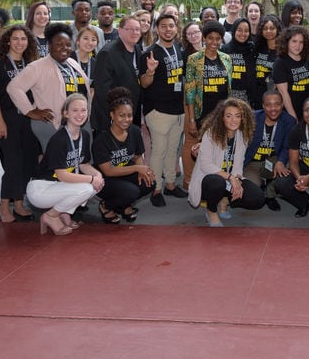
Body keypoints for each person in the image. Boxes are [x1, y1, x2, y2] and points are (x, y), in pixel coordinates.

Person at [27, 94, 103, 236]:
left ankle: (64, 213)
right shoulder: (59, 139)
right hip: (41, 188)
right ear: (65, 113)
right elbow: (62, 175)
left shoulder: (85, 135)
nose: (80, 114)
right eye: (75, 110)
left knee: (95, 185)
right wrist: (92, 179)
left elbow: (83, 164)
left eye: (83, 110)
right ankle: (51, 216)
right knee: (87, 188)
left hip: (58, 186)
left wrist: (97, 175)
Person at [8, 23, 90, 151]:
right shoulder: (37, 67)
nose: (64, 48)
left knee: (79, 158)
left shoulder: (73, 63)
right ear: (49, 46)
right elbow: (14, 87)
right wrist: (30, 111)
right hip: (53, 124)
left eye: (68, 45)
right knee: (56, 159)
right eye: (59, 44)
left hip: (77, 121)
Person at [0, 25, 40, 223]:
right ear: (8, 41)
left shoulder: (32, 63)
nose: (20, 43)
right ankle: (3, 206)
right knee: (13, 163)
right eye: (15, 39)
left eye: (23, 39)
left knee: (28, 162)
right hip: (8, 119)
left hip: (29, 119)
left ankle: (19, 203)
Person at [188, 98, 264, 226]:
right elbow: (205, 165)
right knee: (216, 182)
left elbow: (238, 165)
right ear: (222, 118)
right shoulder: (211, 134)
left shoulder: (242, 136)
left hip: (229, 179)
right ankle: (211, 211)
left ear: (242, 118)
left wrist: (237, 181)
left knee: (257, 198)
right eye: (229, 116)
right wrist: (230, 177)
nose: (233, 120)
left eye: (237, 116)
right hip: (208, 179)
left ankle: (224, 201)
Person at [139, 13, 188, 202]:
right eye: (164, 26)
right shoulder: (150, 53)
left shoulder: (178, 48)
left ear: (176, 28)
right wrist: (150, 71)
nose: (168, 29)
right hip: (158, 111)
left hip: (177, 110)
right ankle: (156, 189)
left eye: (171, 26)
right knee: (158, 151)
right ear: (157, 30)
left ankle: (170, 184)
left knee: (172, 150)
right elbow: (144, 83)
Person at [182, 21, 233, 196]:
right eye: (210, 38)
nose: (214, 42)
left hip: (221, 115)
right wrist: (191, 119)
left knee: (218, 152)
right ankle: (198, 189)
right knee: (202, 154)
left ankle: (215, 189)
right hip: (201, 113)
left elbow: (229, 88)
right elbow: (190, 91)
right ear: (204, 38)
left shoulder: (226, 59)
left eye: (218, 38)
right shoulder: (194, 59)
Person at [92, 87, 157, 223]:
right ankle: (106, 205)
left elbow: (137, 156)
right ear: (112, 115)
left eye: (129, 115)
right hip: (107, 179)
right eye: (121, 115)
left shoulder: (135, 131)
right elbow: (108, 171)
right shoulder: (102, 138)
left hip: (126, 173)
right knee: (131, 192)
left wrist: (142, 172)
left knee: (150, 182)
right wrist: (137, 168)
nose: (126, 119)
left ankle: (124, 205)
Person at [242, 91, 296, 212]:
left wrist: (281, 161)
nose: (273, 109)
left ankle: (270, 195)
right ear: (263, 106)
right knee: (252, 190)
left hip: (273, 160)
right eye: (268, 105)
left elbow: (287, 146)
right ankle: (261, 187)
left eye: (277, 104)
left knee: (288, 163)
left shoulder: (289, 121)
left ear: (282, 105)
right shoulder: (252, 118)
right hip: (252, 162)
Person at [90, 16, 143, 135]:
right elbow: (102, 90)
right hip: (111, 119)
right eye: (130, 29)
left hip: (130, 115)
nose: (134, 32)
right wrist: (116, 115)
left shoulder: (137, 49)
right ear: (120, 30)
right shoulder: (107, 53)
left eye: (137, 29)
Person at [272, 25, 309, 119]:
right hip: (289, 112)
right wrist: (293, 117)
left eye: (301, 42)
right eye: (294, 41)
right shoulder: (280, 63)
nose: (297, 46)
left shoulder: (307, 59)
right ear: (287, 42)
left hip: (307, 110)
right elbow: (283, 93)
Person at [221, 18, 259, 108]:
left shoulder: (253, 49)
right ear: (234, 30)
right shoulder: (225, 50)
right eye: (239, 30)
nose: (243, 34)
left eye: (246, 31)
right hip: (229, 95)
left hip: (249, 96)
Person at [254, 14, 282, 92]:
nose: (268, 31)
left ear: (277, 30)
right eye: (265, 28)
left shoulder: (283, 50)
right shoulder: (257, 48)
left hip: (276, 93)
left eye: (272, 28)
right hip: (257, 91)